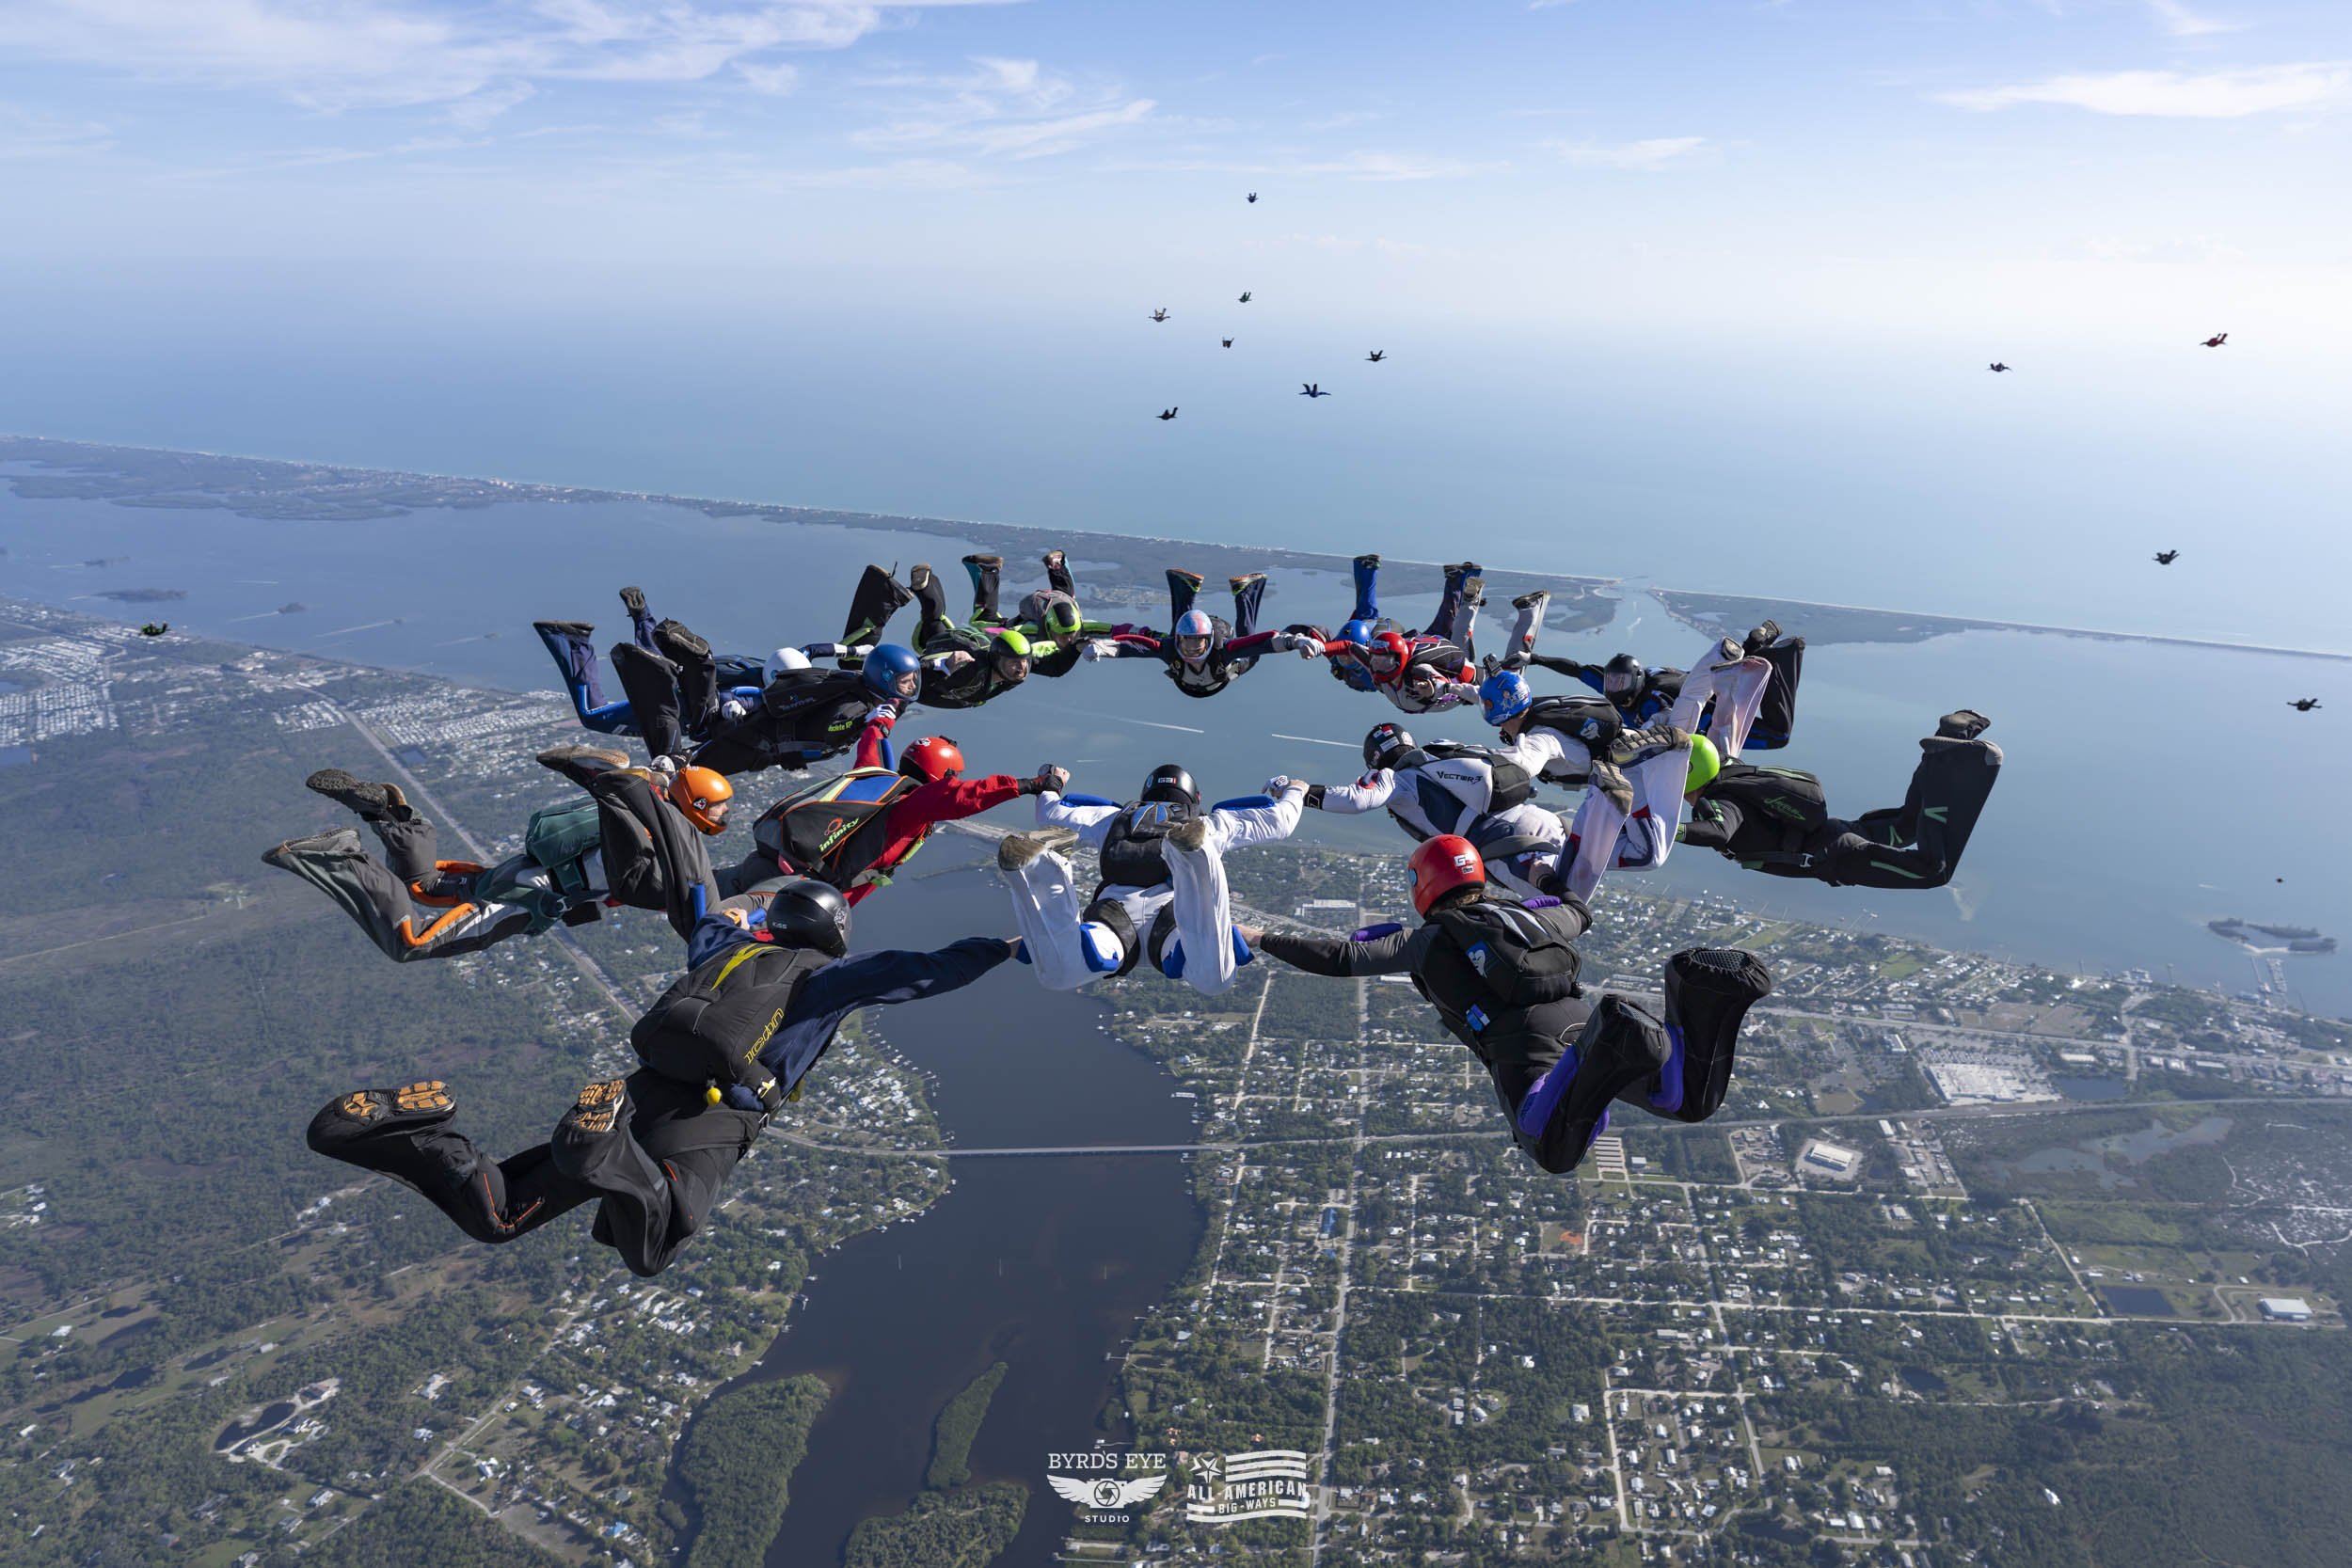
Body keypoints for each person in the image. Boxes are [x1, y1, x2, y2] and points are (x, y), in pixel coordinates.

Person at [305, 880, 1015, 1276]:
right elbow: (925, 969)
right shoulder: (827, 976)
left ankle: (407, 1135)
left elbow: (709, 911)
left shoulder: (729, 949)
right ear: (831, 932)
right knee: (659, 1238)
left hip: (640, 1086)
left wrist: (743, 900)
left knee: (503, 1213)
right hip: (713, 1117)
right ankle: (603, 1151)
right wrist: (1006, 947)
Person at [1239, 836, 1771, 1175]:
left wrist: (1259, 936)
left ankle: (1610, 1037)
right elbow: (1576, 911)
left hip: (1530, 1046)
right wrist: (1540, 877)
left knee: (1548, 1145)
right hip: (1580, 1018)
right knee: (1685, 1101)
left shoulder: (1424, 942)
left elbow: (1338, 958)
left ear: (1424, 886)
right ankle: (1697, 992)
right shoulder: (1527, 916)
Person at [264, 746, 726, 962]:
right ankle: (340, 856)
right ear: (697, 808)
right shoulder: (661, 851)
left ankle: (393, 816)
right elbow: (658, 889)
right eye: (719, 808)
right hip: (526, 899)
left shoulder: (648, 803)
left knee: (422, 888)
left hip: (524, 873)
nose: (724, 817)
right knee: (412, 943)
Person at [996, 763, 1308, 994]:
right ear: (1193, 799)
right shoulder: (1212, 822)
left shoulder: (1111, 818)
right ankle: (1195, 857)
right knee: (1214, 981)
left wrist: (1052, 782)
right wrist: (1295, 789)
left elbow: (1049, 814)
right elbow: (1281, 821)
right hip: (1175, 920)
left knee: (1059, 974)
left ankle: (1039, 867)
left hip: (1113, 918)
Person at [717, 708, 1061, 900]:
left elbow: (872, 741)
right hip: (794, 891)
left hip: (764, 861)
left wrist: (884, 717)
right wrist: (1031, 785)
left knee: (691, 893)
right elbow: (962, 796)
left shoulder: (871, 778)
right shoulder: (912, 806)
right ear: (941, 775)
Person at [1679, 710, 2001, 888]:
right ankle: (1948, 742)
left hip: (1840, 857)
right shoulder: (1731, 772)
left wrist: (1668, 830)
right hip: (1840, 834)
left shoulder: (1719, 802)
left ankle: (1951, 763)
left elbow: (1719, 832)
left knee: (1933, 871)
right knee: (1908, 825)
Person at [1305, 722, 1570, 900]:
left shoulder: (1395, 780)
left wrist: (1301, 793)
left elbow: (1356, 801)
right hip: (1533, 815)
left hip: (1506, 847)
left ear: (1374, 760)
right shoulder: (1438, 752)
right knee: (1591, 847)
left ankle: (1555, 886)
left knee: (1559, 899)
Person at [617, 634, 920, 777]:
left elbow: (813, 650)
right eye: (906, 681)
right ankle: (670, 669)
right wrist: (868, 726)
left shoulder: (855, 682)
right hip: (757, 742)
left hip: (760, 735)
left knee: (698, 746)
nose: (911, 686)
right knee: (688, 765)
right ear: (885, 678)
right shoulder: (856, 707)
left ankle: (692, 662)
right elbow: (830, 731)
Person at [1297, 559, 1549, 714]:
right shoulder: (1374, 662)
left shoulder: (1418, 672)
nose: (1378, 665)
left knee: (1511, 676)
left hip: (1463, 686)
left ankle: (1529, 610)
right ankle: (1468, 593)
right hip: (1450, 678)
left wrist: (1434, 689)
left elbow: (1436, 682)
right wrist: (1321, 648)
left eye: (1384, 661)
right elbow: (1351, 648)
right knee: (1458, 633)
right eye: (1376, 659)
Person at [533, 586, 774, 738]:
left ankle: (644, 617)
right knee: (593, 716)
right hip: (680, 712)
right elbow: (733, 702)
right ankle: (573, 641)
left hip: (686, 689)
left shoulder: (767, 670)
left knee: (659, 661)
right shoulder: (763, 696)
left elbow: (807, 651)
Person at [1518, 620, 1804, 747]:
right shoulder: (1617, 683)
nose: (1614, 687)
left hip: (1711, 714)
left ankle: (1783, 656)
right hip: (1705, 683)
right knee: (1717, 673)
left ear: (1637, 679)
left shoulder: (1654, 699)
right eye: (1611, 681)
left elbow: (1670, 720)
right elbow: (1576, 669)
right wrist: (1535, 659)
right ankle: (1753, 645)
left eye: (1620, 682)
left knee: (1779, 737)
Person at [1084, 568, 1318, 697]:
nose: (1192, 649)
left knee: (1248, 653)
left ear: (1208, 641)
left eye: (1198, 644)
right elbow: (1134, 646)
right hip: (1199, 680)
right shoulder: (1171, 648)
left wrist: (1296, 642)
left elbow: (1264, 642)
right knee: (1171, 636)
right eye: (1187, 643)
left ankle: (1242, 592)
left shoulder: (1223, 651)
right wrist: (1101, 647)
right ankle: (1232, 591)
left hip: (1211, 673)